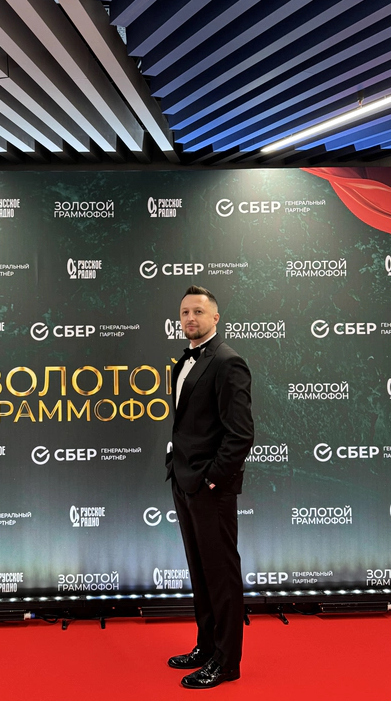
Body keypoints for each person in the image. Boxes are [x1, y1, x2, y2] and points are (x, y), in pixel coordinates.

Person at [165, 286, 254, 689]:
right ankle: (206, 647)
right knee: (200, 573)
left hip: (210, 487)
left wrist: (212, 478)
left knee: (221, 575)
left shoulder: (227, 361)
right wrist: (178, 467)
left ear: (215, 318)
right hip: (184, 481)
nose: (190, 318)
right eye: (185, 312)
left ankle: (227, 661)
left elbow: (241, 434)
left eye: (198, 312)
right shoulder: (182, 362)